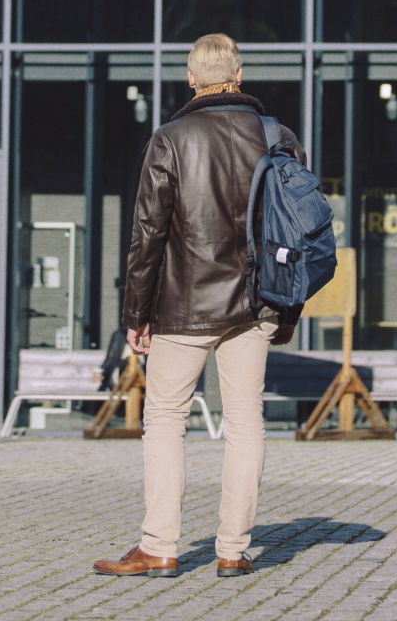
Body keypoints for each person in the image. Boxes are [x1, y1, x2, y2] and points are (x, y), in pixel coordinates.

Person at [93, 33, 302, 581]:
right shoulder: (277, 136)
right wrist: (288, 310)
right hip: (255, 304)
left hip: (182, 305)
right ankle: (232, 550)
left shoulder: (170, 138)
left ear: (191, 79)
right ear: (239, 75)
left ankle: (159, 546)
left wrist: (136, 314)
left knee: (165, 420)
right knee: (245, 421)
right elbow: (296, 231)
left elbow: (147, 233)